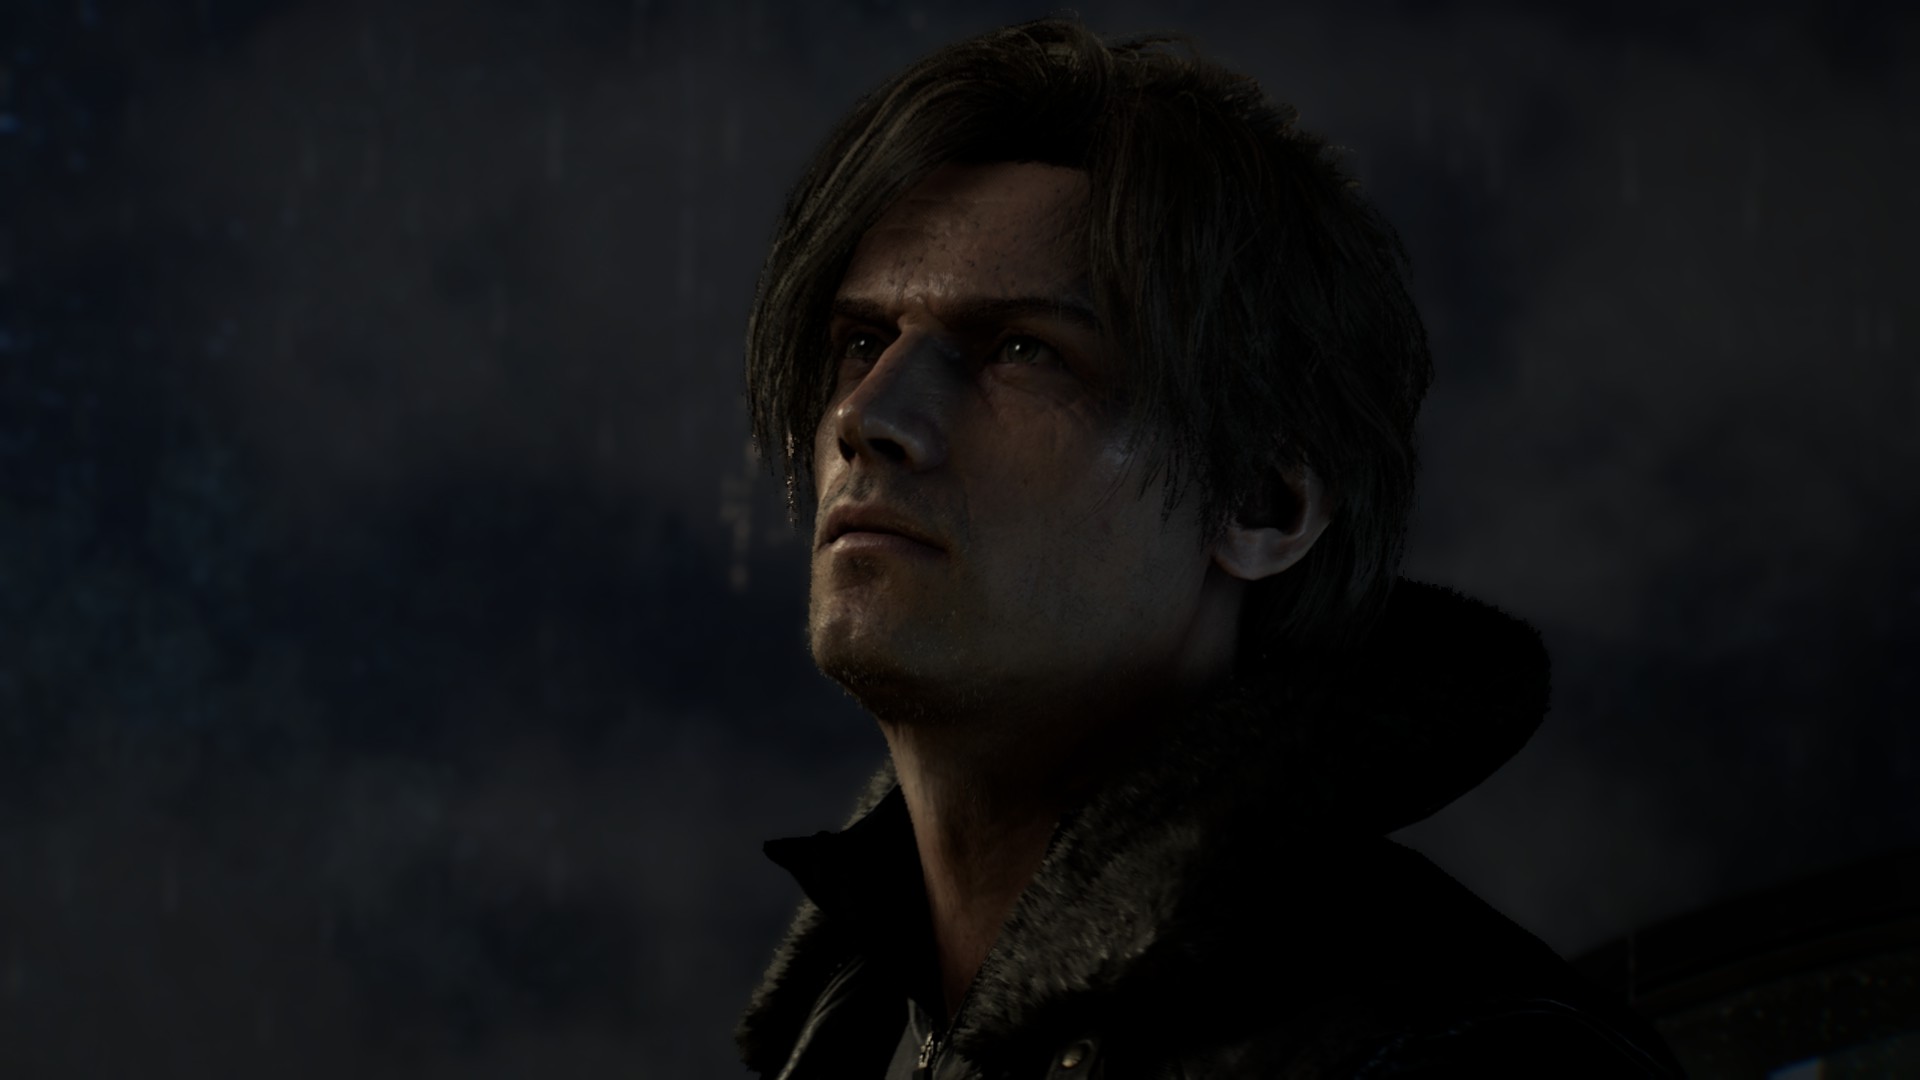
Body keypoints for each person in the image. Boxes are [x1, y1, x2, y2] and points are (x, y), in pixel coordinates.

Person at [733, 16, 1686, 1079]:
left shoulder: (1473, 1053)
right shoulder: (849, 1025)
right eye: (863, 341)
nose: (869, 415)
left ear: (1264, 507)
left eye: (1022, 349)